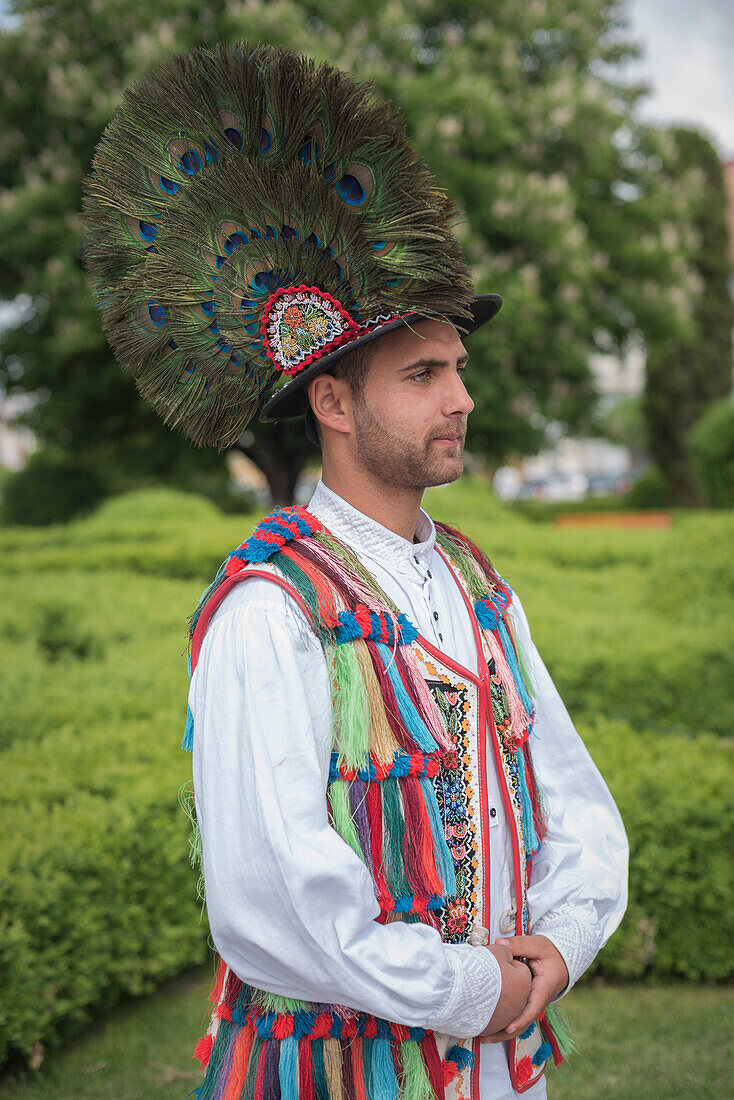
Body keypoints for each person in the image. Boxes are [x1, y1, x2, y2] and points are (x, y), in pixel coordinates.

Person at [83, 41, 628, 1100]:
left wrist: (558, 940)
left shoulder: (477, 582)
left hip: (502, 1071)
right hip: (337, 1076)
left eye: (457, 369)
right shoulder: (268, 607)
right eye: (421, 373)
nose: (459, 398)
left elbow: (573, 798)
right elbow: (273, 897)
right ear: (333, 403)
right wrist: (466, 985)